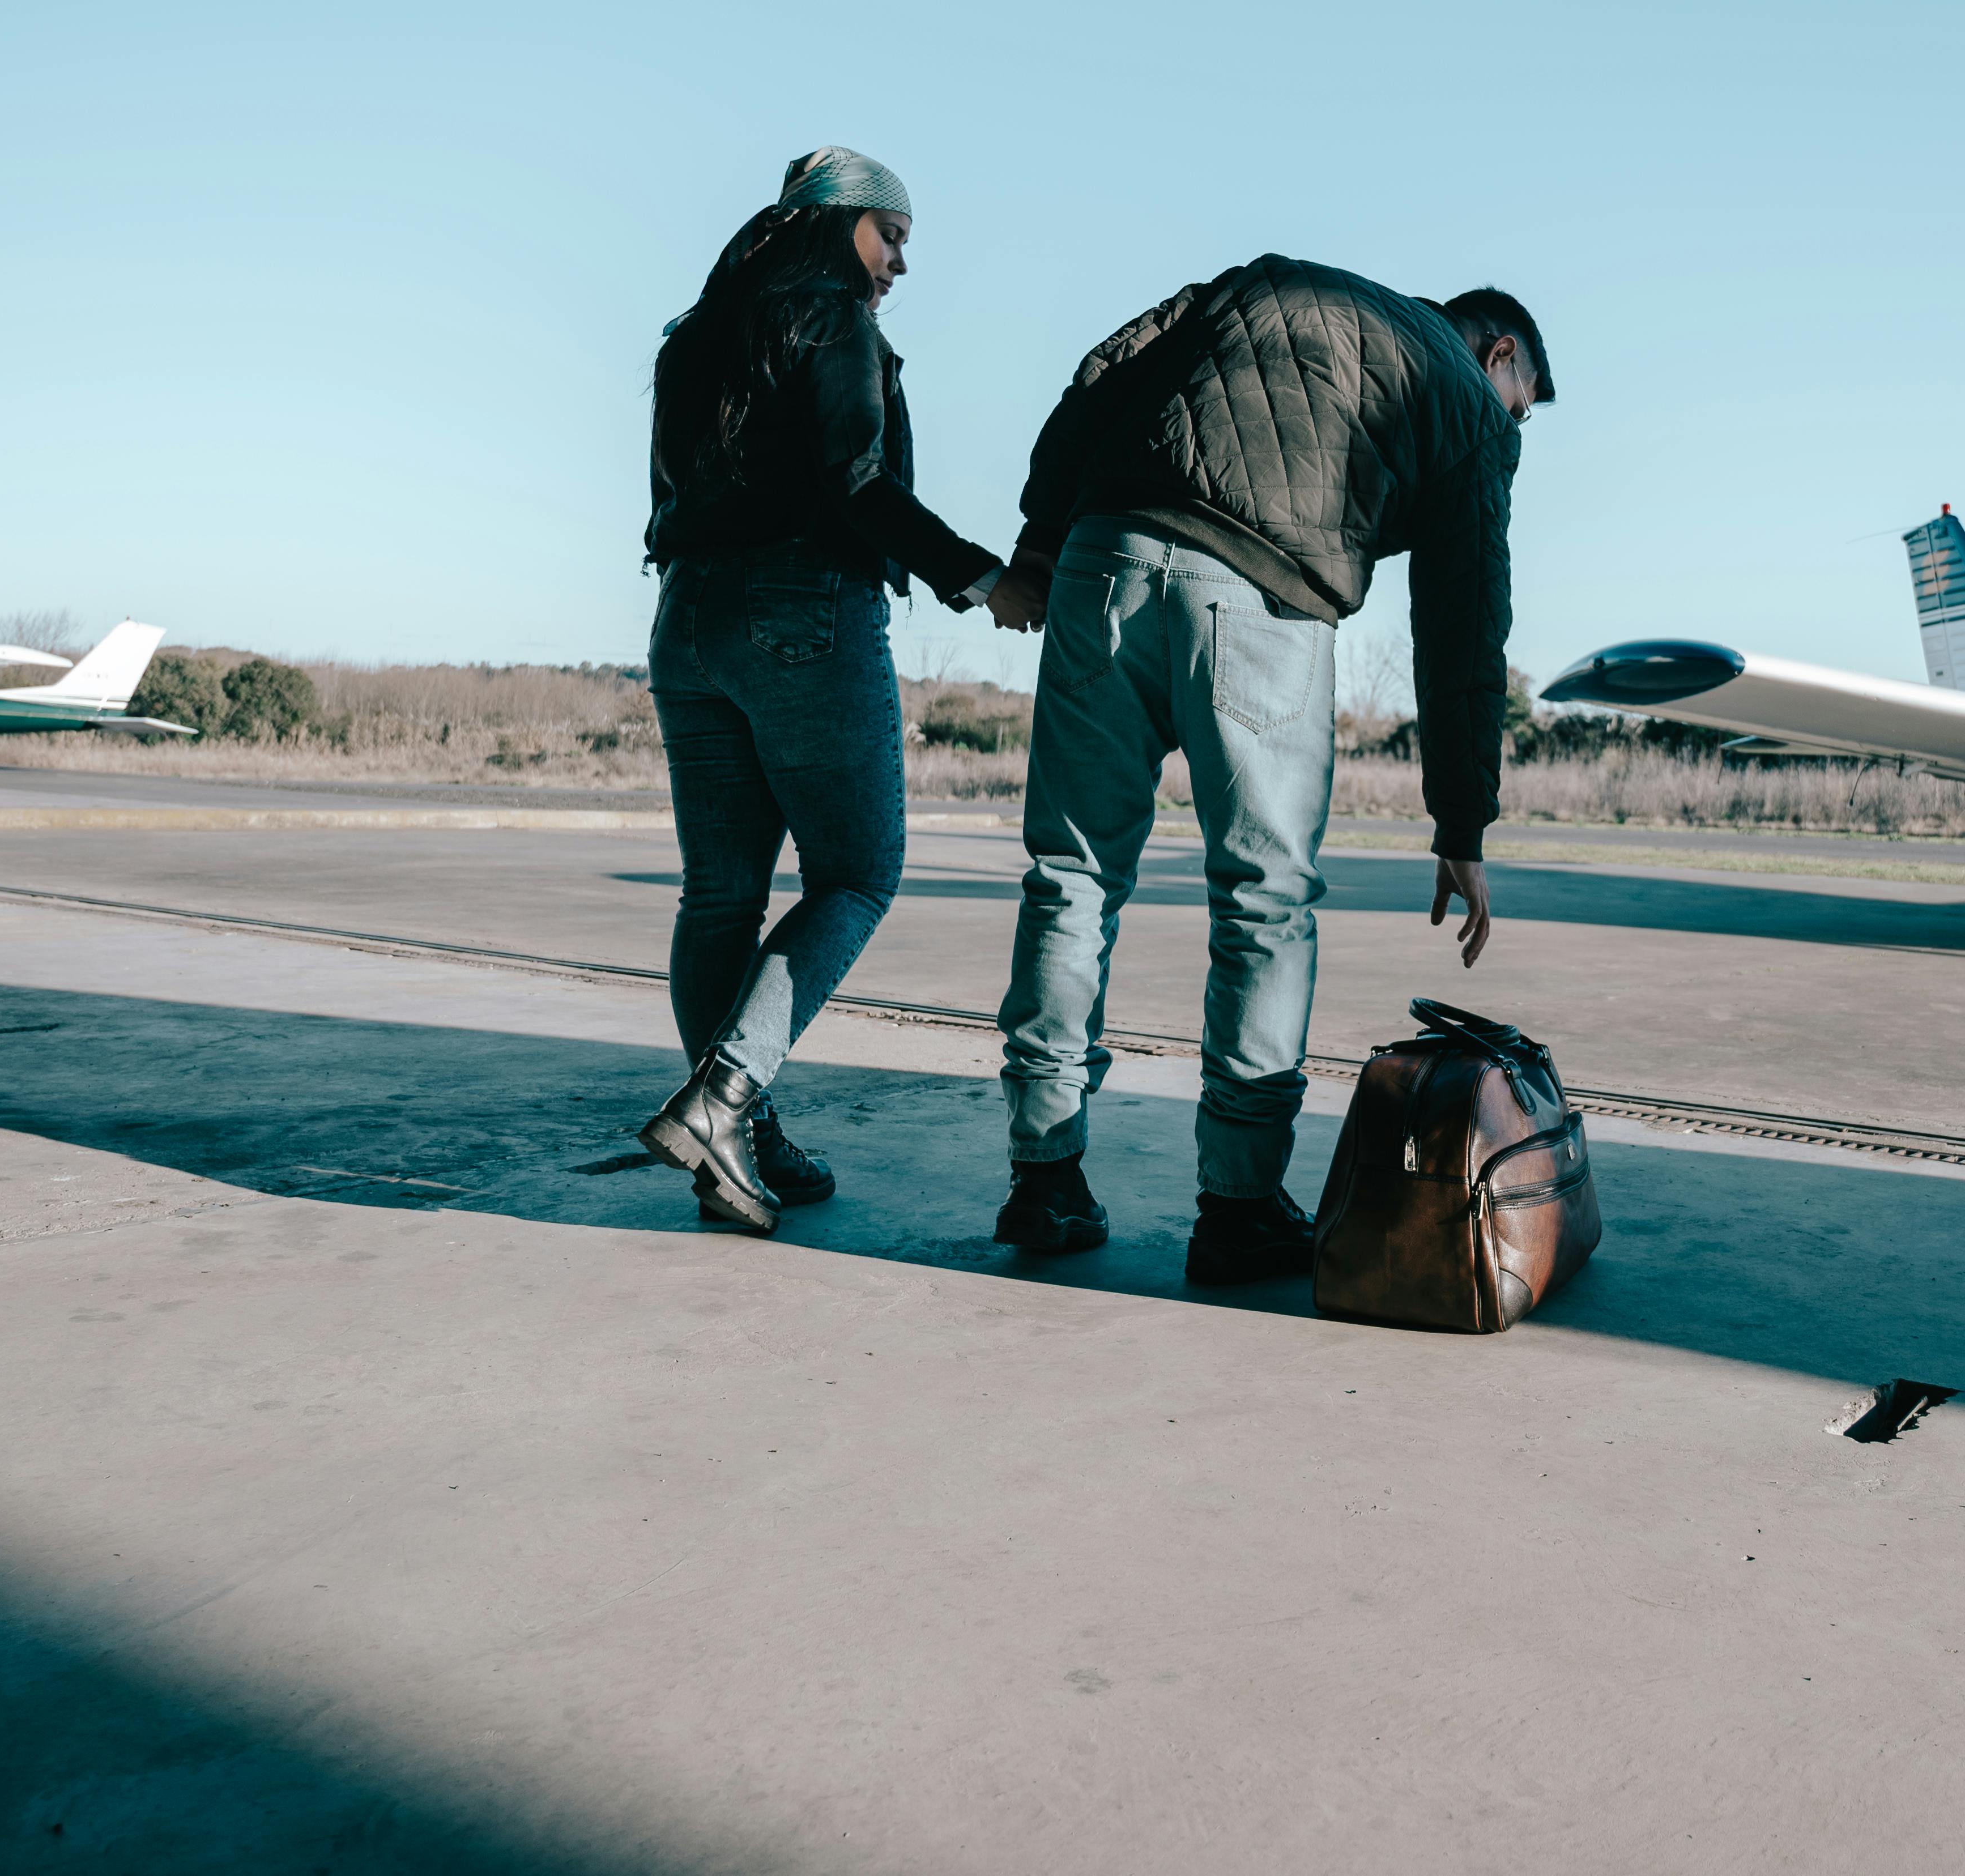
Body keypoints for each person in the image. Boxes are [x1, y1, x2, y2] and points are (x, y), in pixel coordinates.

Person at [982, 257, 1551, 1281]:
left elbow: (1103, 371)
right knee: (1262, 902)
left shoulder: (1271, 284)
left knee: (1068, 879)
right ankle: (1240, 1206)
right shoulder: (1469, 403)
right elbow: (1465, 627)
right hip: (1262, 595)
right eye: (1527, 406)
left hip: (1103, 558)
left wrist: (1039, 539)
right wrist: (1461, 823)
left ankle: (1043, 1181)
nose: (1517, 431)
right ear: (1498, 355)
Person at [638, 147, 1022, 1233]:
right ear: (835, 223)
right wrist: (980, 577)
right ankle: (723, 1101)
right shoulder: (832, 318)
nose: (899, 263)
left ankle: (736, 1142)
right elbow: (858, 486)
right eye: (890, 235)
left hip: (689, 622)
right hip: (804, 612)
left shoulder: (693, 339)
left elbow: (668, 501)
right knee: (856, 875)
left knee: (718, 894)